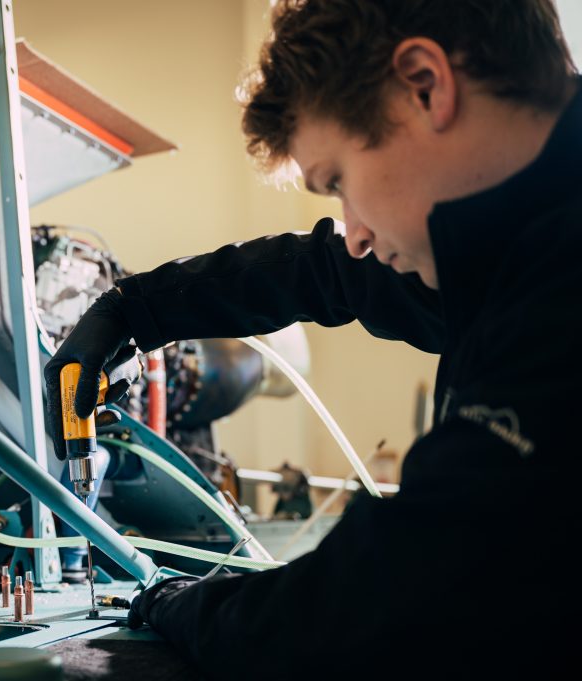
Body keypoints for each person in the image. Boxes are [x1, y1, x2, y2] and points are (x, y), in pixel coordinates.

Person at [43, 0, 582, 676]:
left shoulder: (558, 287)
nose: (354, 229)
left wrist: (177, 602)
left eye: (338, 184)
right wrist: (130, 309)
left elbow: (381, 602)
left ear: (425, 84)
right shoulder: (507, 244)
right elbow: (326, 271)